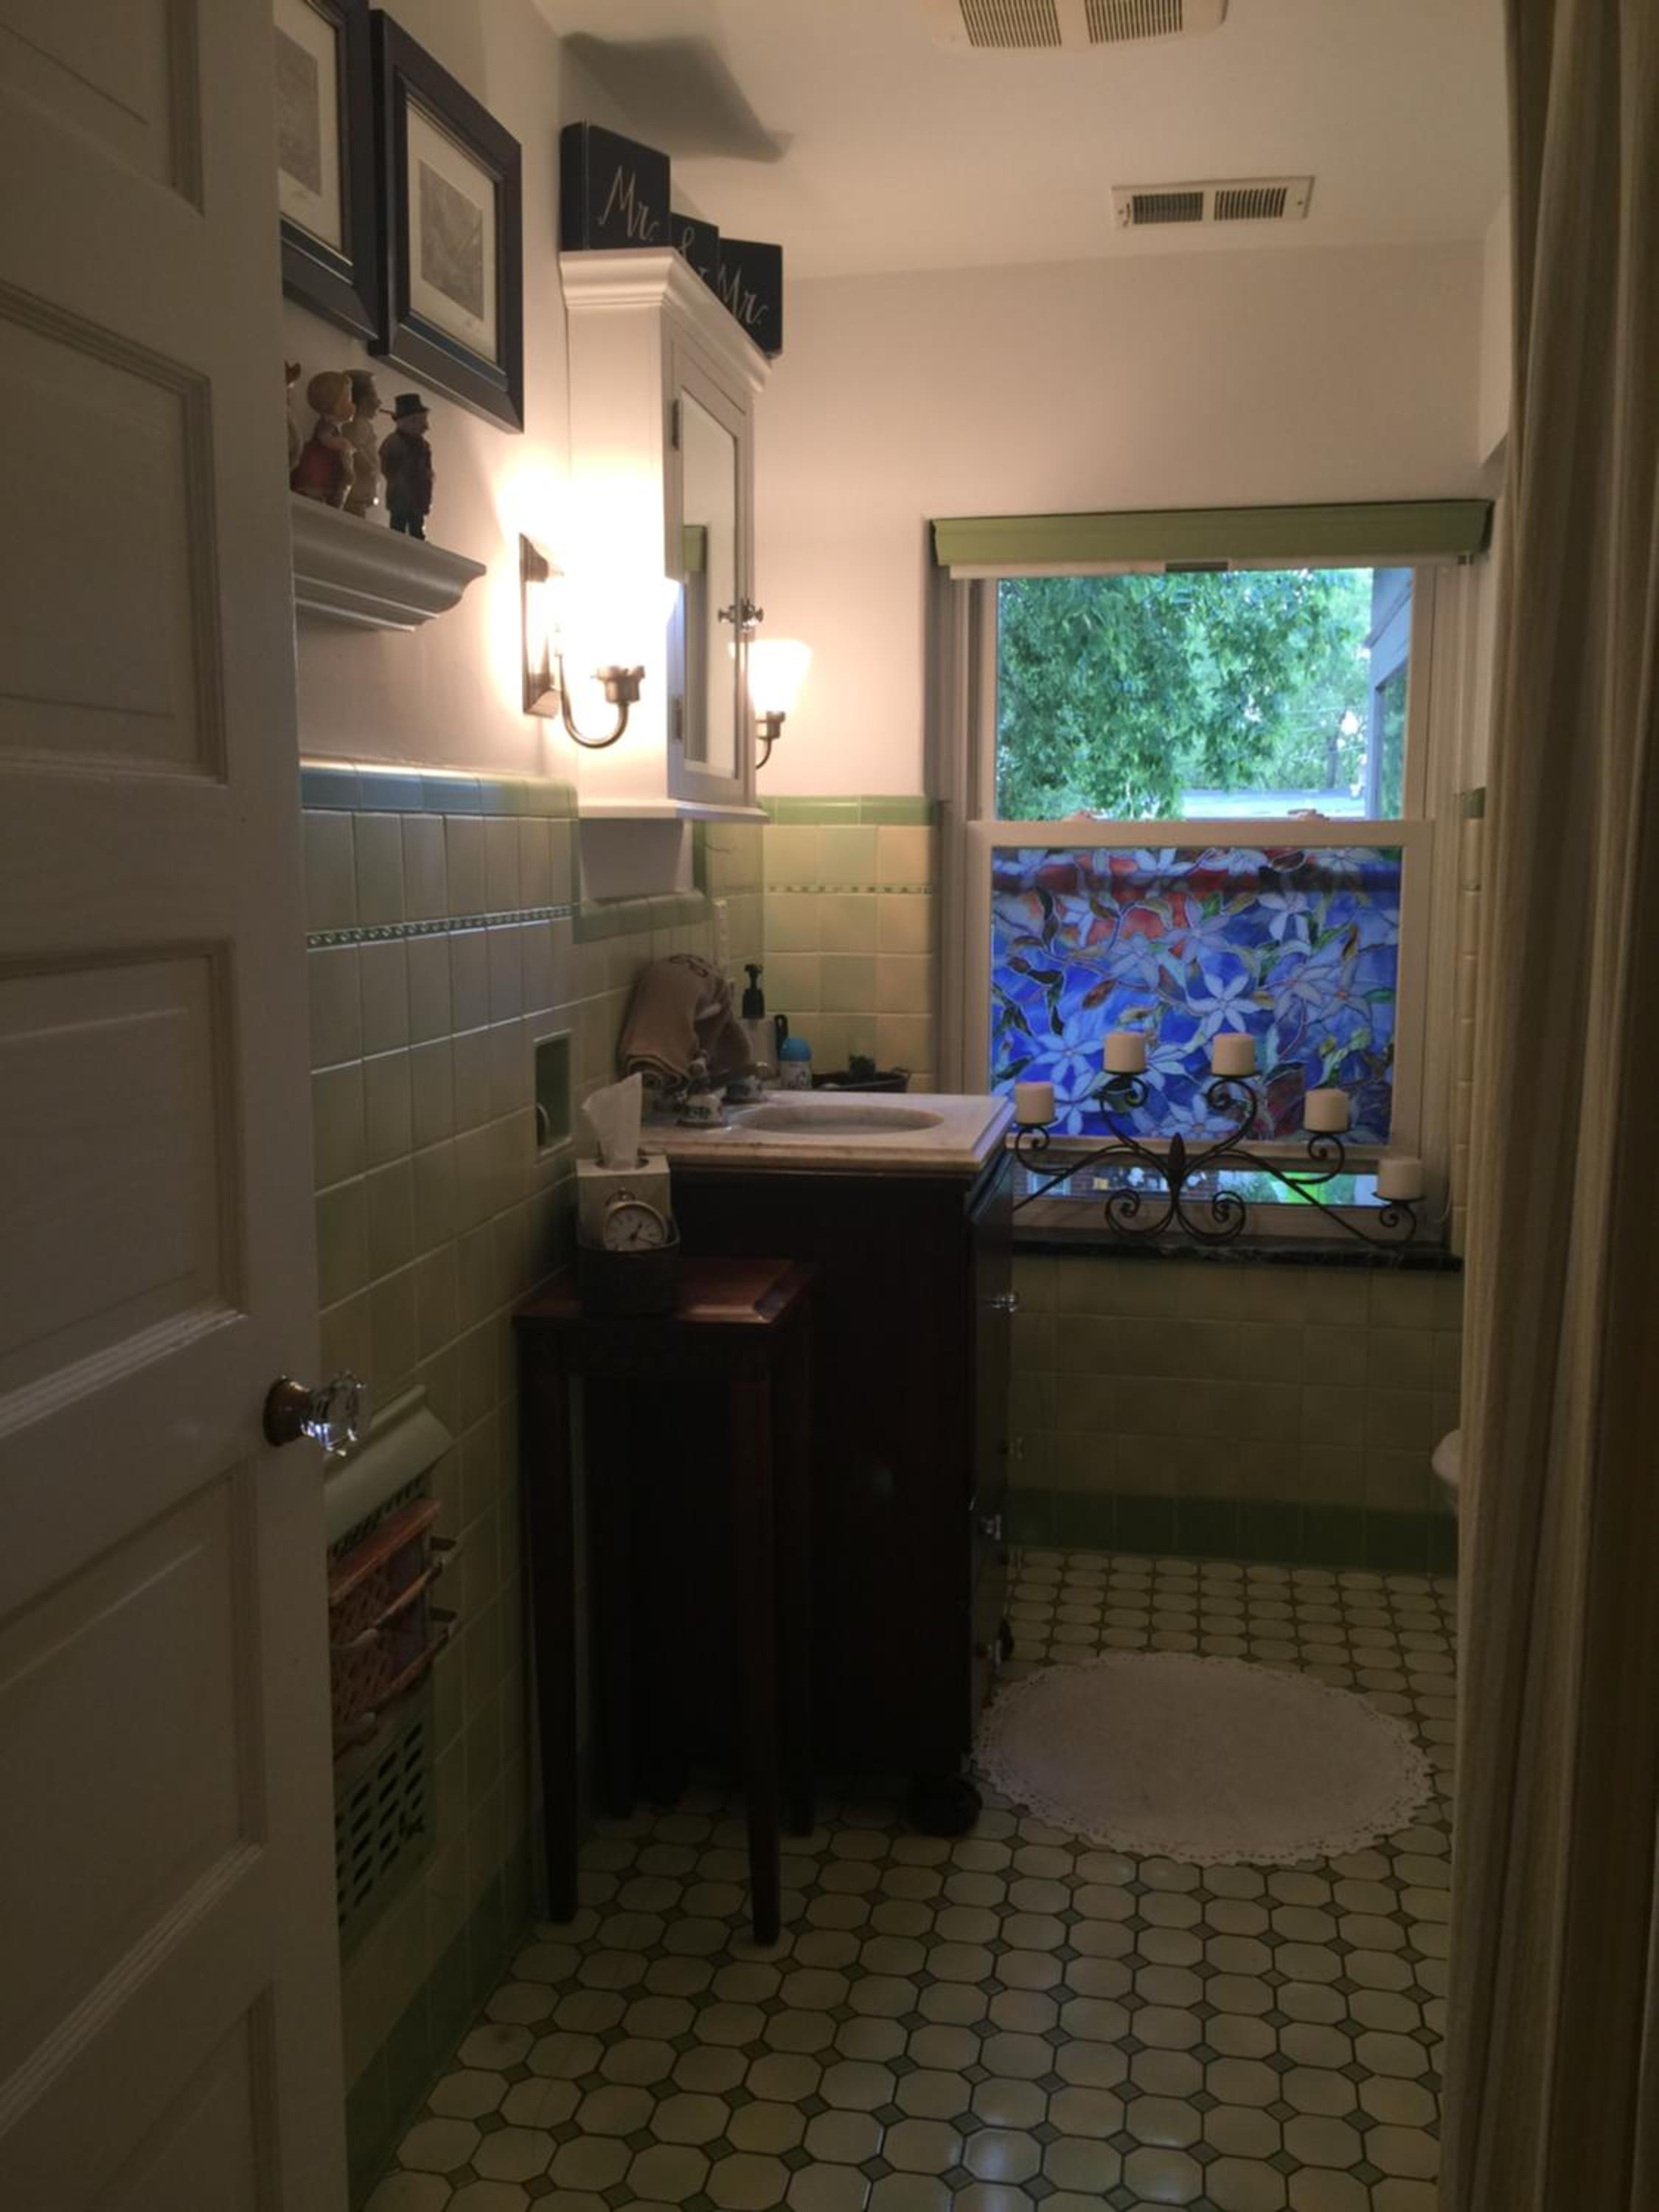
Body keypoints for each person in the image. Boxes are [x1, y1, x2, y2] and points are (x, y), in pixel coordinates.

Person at [289, 368, 354, 507]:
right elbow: (324, 437)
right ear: (331, 403)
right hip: (322, 463)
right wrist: (341, 445)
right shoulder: (326, 429)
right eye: (347, 399)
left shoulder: (336, 431)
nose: (352, 405)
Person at [380, 392, 434, 538]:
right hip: (400, 496)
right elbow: (387, 467)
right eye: (419, 421)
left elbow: (427, 468)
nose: (425, 426)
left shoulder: (424, 446)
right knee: (398, 526)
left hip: (418, 497)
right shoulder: (393, 443)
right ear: (407, 421)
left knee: (417, 528)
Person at [343, 370, 385, 518]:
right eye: (372, 396)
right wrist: (368, 466)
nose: (378, 403)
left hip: (363, 490)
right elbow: (354, 446)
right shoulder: (358, 423)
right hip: (356, 490)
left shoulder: (364, 424)